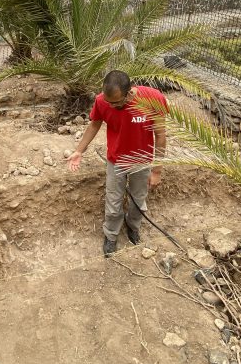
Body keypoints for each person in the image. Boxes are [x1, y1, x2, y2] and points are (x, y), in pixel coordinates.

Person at [67, 71, 167, 257]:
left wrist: (157, 171)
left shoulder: (153, 98)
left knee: (139, 200)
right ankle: (111, 235)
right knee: (113, 203)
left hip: (142, 161)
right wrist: (79, 150)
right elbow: (94, 125)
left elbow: (160, 135)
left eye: (116, 103)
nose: (111, 106)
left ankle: (133, 226)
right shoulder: (102, 101)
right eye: (108, 102)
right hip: (117, 160)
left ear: (129, 93)